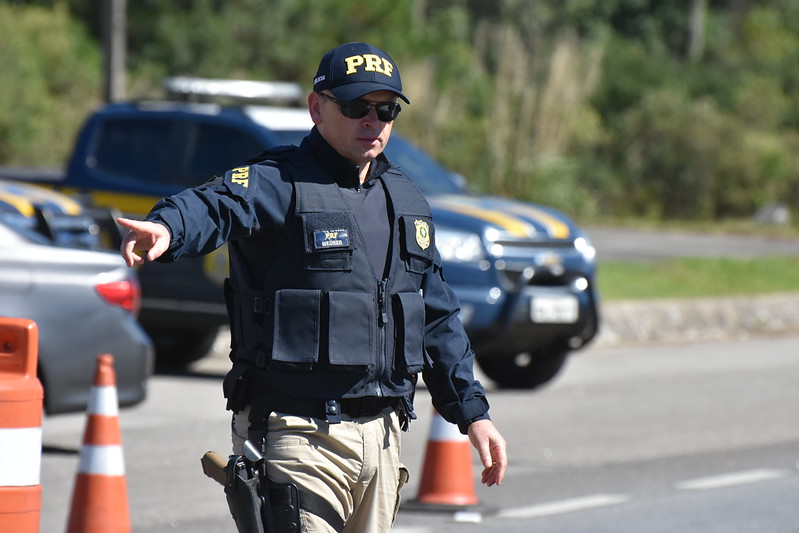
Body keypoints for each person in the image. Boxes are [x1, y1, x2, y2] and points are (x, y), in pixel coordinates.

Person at [118, 41, 507, 533]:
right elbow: (213, 205)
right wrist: (168, 229)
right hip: (298, 435)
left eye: (385, 109)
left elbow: (435, 316)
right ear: (316, 108)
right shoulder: (276, 181)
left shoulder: (405, 197)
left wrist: (473, 414)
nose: (373, 120)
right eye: (356, 107)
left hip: (384, 440)